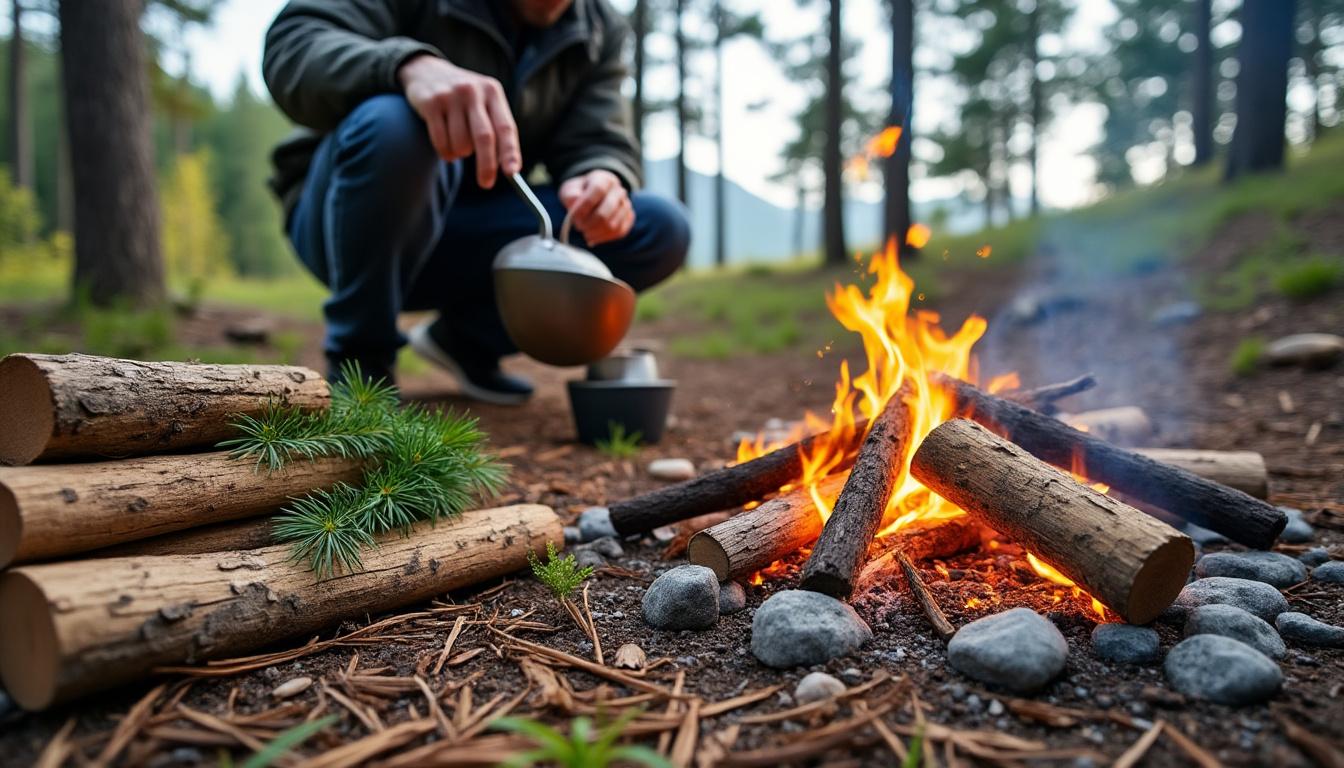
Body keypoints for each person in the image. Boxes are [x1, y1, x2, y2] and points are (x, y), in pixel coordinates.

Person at [263, 0, 690, 403]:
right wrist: (407, 67)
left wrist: (600, 175)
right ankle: (361, 369)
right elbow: (294, 44)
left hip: (476, 231)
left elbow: (597, 138)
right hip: (349, 217)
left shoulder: (597, 27)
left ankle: (465, 341)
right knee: (400, 124)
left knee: (657, 228)